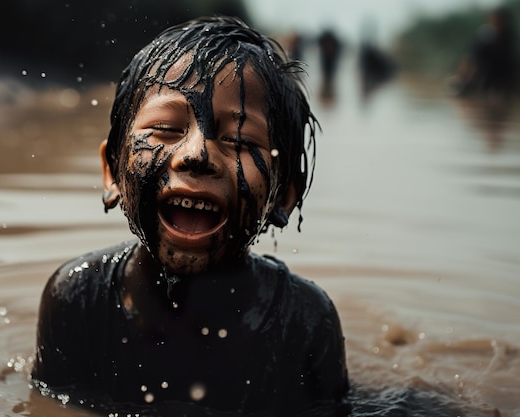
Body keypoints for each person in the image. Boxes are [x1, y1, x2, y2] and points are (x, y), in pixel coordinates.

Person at [30, 16, 350, 416]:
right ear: (112, 169)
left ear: (284, 196)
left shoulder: (303, 322)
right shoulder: (78, 301)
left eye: (237, 139)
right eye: (165, 128)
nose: (196, 155)